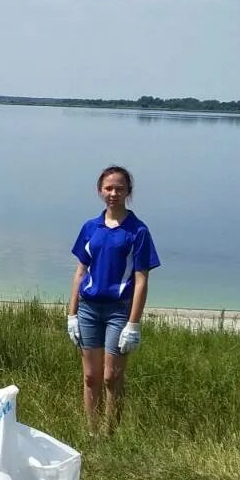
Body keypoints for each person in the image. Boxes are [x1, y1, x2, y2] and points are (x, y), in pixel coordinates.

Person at [66, 165, 161, 435]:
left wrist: (134, 324)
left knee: (111, 377)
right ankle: (92, 432)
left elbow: (141, 279)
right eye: (108, 188)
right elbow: (80, 271)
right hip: (88, 310)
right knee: (90, 376)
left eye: (119, 188)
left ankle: (110, 434)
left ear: (128, 192)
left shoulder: (137, 231)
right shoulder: (90, 227)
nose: (113, 193)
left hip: (119, 311)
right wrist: (72, 314)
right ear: (100, 191)